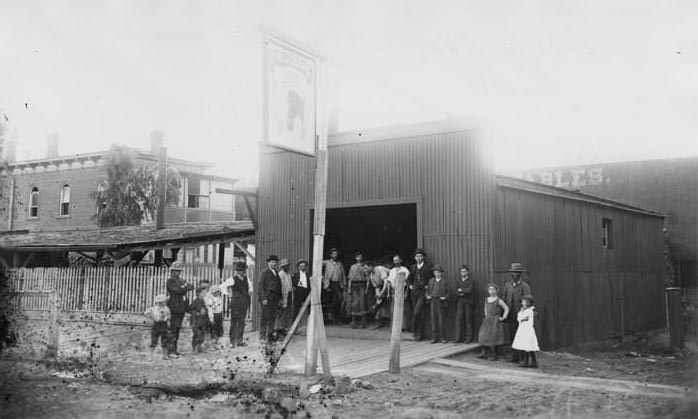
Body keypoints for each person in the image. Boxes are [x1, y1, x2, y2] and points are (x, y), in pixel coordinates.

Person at [502, 262, 532, 363]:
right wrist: (504, 314)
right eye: (514, 272)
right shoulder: (507, 285)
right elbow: (504, 300)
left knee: (521, 336)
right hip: (510, 316)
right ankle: (514, 356)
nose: (515, 275)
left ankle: (522, 358)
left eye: (517, 273)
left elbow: (528, 301)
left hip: (521, 317)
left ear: (520, 274)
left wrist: (524, 314)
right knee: (512, 336)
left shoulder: (524, 286)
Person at [166, 261, 194, 356]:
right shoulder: (170, 281)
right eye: (174, 271)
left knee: (177, 330)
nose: (176, 273)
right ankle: (170, 351)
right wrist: (184, 286)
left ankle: (174, 350)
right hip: (174, 308)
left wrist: (183, 286)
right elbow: (178, 291)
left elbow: (191, 286)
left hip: (181, 308)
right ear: (171, 271)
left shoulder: (181, 280)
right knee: (173, 330)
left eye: (178, 271)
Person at [220, 261, 250, 347]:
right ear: (237, 271)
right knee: (234, 322)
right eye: (240, 270)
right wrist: (227, 294)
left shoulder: (246, 279)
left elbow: (249, 289)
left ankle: (240, 340)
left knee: (241, 322)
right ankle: (232, 341)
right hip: (235, 304)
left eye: (243, 270)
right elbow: (222, 286)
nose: (242, 272)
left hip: (244, 303)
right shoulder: (232, 279)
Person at [477, 284, 510, 360]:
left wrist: (503, 317)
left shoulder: (498, 300)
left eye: (493, 290)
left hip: (495, 320)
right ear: (488, 291)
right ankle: (484, 352)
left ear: (496, 290)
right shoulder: (487, 299)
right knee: (484, 335)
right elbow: (485, 309)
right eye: (490, 290)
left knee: (493, 336)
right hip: (488, 319)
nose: (492, 291)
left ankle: (493, 354)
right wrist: (487, 315)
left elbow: (506, 308)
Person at [407, 248, 432, 341]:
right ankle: (418, 334)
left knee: (417, 311)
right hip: (414, 292)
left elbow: (431, 279)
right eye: (417, 256)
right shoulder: (413, 267)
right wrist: (410, 285)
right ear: (415, 258)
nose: (419, 258)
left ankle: (416, 332)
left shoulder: (428, 267)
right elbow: (409, 278)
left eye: (420, 256)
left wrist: (428, 286)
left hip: (423, 292)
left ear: (423, 257)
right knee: (418, 313)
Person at [512, 294, 539, 368]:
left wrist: (521, 316)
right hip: (522, 330)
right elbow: (519, 319)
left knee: (529, 346)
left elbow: (524, 318)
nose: (523, 303)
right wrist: (520, 314)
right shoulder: (523, 311)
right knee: (525, 346)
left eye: (525, 302)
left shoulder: (529, 311)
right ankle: (526, 362)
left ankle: (533, 362)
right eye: (523, 302)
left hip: (528, 331)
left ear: (529, 303)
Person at [259, 255, 282, 341]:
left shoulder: (276, 272)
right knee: (265, 318)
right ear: (268, 263)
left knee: (272, 318)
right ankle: (262, 336)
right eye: (271, 262)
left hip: (275, 299)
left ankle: (269, 336)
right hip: (267, 299)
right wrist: (263, 298)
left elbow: (279, 286)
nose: (273, 263)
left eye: (275, 262)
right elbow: (260, 286)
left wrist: (280, 298)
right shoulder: (264, 272)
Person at [144, 294, 173, 360]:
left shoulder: (166, 308)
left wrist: (167, 319)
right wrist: (151, 316)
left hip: (164, 325)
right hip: (156, 325)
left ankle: (165, 355)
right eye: (161, 301)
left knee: (165, 340)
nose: (163, 303)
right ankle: (150, 356)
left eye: (164, 301)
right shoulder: (153, 308)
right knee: (154, 341)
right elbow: (146, 313)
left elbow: (169, 316)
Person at [322, 248, 346, 324]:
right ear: (330, 255)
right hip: (330, 283)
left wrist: (344, 283)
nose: (335, 255)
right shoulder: (327, 262)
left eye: (336, 254)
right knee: (338, 298)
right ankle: (334, 317)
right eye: (333, 254)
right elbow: (317, 264)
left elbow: (343, 274)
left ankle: (335, 318)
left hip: (338, 283)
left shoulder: (339, 264)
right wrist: (322, 277)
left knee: (337, 300)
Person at [426, 265, 449, 343]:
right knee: (433, 320)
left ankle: (443, 338)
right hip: (433, 301)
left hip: (441, 302)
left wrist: (445, 297)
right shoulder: (431, 281)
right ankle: (434, 338)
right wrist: (427, 296)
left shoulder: (444, 282)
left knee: (441, 320)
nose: (437, 274)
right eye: (435, 272)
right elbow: (427, 291)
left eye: (438, 272)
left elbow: (448, 293)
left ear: (441, 273)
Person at [453, 264, 475, 343]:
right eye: (462, 271)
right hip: (460, 302)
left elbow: (469, 290)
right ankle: (458, 338)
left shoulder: (471, 280)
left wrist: (461, 290)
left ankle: (469, 338)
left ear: (468, 272)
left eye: (464, 271)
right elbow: (455, 291)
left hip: (468, 302)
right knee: (459, 319)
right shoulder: (458, 280)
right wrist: (462, 292)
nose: (463, 272)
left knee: (468, 320)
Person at [348, 252, 370, 328]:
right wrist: (349, 288)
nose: (359, 258)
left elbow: (367, 279)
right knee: (355, 303)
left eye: (360, 257)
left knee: (362, 303)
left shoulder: (364, 267)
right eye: (357, 257)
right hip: (354, 285)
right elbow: (350, 278)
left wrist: (367, 288)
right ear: (355, 258)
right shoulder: (352, 267)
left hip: (362, 285)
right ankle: (354, 322)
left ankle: (363, 322)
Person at [189, 284, 209, 353]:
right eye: (204, 292)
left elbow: (205, 310)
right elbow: (190, 309)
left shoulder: (203, 301)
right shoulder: (195, 301)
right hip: (196, 321)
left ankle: (200, 347)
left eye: (205, 292)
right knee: (196, 334)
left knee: (202, 334)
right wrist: (197, 312)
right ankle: (194, 348)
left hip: (202, 320)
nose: (205, 293)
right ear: (198, 293)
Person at [276, 258, 294, 335]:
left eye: (288, 265)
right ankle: (280, 329)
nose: (287, 267)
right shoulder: (281, 275)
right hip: (284, 295)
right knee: (282, 313)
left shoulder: (288, 274)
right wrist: (281, 298)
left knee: (287, 312)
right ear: (282, 267)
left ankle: (285, 328)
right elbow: (280, 287)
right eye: (285, 266)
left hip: (289, 294)